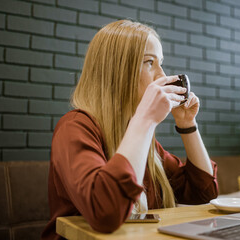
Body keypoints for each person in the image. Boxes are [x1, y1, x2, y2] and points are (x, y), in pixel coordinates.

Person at [41, 20, 218, 240]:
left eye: (160, 63)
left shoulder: (141, 139)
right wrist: (144, 120)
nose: (161, 75)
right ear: (116, 71)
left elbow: (204, 194)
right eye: (149, 62)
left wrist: (187, 125)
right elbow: (105, 213)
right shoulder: (74, 128)